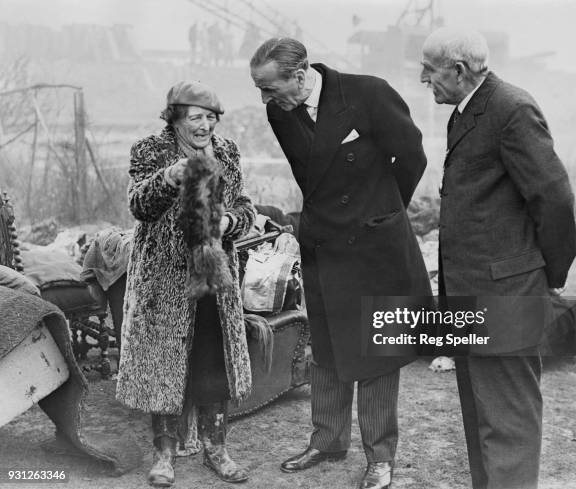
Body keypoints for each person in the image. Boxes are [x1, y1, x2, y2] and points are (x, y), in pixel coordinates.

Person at [250, 38, 432, 489]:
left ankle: (380, 456)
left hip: (373, 241)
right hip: (323, 241)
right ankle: (327, 440)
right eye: (260, 89)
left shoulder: (368, 92)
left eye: (270, 88)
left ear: (300, 74)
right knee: (328, 346)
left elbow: (412, 154)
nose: (264, 99)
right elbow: (310, 177)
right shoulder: (280, 111)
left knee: (375, 350)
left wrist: (383, 212)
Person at [420, 28, 576, 489]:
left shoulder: (511, 108)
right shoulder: (467, 110)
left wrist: (552, 273)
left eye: (429, 70)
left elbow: (554, 197)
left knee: (507, 421)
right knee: (482, 416)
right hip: (473, 293)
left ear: (459, 70)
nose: (423, 78)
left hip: (507, 292)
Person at [116, 81, 255, 486]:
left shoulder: (226, 151)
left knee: (212, 359)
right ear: (176, 117)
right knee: (164, 363)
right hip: (164, 280)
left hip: (213, 275)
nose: (206, 125)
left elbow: (244, 205)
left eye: (212, 118)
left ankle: (217, 448)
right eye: (197, 117)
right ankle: (164, 452)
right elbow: (139, 206)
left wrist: (230, 221)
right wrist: (168, 178)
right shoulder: (150, 150)